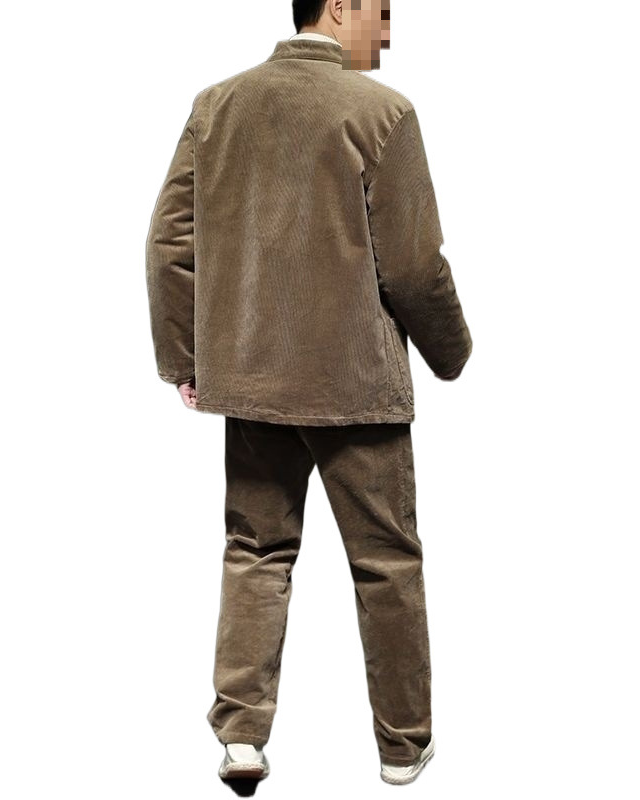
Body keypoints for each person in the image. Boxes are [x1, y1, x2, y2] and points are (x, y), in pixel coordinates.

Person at [145, 0, 473, 786]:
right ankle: (402, 747)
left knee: (255, 551)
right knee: (386, 563)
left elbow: (169, 242)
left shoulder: (217, 106)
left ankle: (240, 737)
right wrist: (453, 352)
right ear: (342, 5)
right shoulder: (383, 113)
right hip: (356, 384)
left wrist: (186, 358)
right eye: (381, 13)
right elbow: (414, 267)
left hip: (252, 379)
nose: (387, 31)